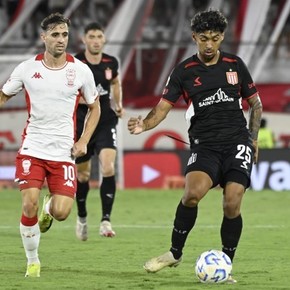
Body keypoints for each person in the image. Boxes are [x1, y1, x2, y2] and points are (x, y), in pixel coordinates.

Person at [127, 9, 263, 283]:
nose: (209, 44)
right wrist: (144, 125)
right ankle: (175, 253)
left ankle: (226, 265)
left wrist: (254, 138)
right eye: (203, 39)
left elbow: (255, 103)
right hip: (205, 146)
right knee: (191, 195)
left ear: (222, 37)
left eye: (214, 38)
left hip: (237, 142)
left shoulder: (235, 64)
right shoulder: (184, 71)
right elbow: (163, 108)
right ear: (194, 38)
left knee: (232, 202)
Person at [0, 13, 100, 278]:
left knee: (61, 212)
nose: (61, 39)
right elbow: (4, 95)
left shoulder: (79, 70)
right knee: (28, 204)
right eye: (55, 34)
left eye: (65, 34)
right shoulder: (26, 69)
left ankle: (49, 208)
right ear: (43, 37)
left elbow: (95, 107)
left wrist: (83, 141)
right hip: (32, 148)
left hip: (64, 153)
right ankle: (32, 261)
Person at [75, 22, 124, 241]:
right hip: (83, 120)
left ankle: (106, 220)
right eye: (91, 36)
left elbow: (115, 82)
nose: (95, 40)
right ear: (84, 39)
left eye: (99, 36)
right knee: (83, 174)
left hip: (104, 118)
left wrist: (118, 103)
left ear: (104, 40)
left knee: (108, 167)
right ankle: (82, 217)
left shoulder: (111, 62)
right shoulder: (75, 62)